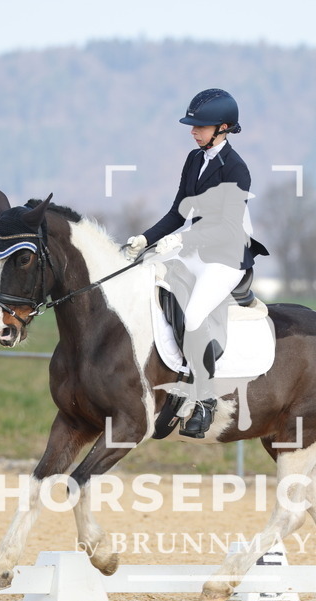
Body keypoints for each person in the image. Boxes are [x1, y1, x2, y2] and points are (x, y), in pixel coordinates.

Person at [123, 88, 263, 438]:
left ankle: (205, 400)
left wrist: (183, 240)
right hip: (196, 249)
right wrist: (147, 238)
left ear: (224, 128)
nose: (192, 131)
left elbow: (228, 228)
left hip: (227, 256)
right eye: (193, 125)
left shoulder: (236, 169)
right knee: (146, 278)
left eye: (200, 126)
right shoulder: (193, 159)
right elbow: (177, 212)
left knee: (197, 315)